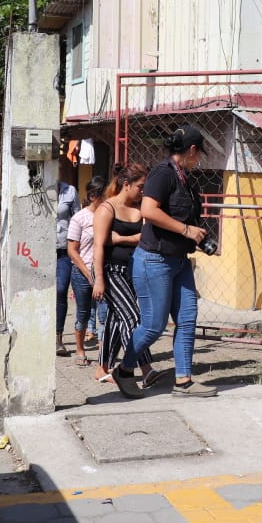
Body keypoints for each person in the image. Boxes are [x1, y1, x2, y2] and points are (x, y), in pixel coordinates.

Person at [112, 125, 216, 398]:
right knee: (153, 325)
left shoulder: (187, 181)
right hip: (154, 261)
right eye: (199, 154)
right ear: (191, 150)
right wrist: (185, 231)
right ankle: (124, 370)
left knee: (187, 319)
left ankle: (183, 381)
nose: (199, 159)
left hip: (179, 261)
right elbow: (148, 210)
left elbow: (188, 221)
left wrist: (198, 237)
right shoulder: (162, 173)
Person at [92, 163, 164, 388]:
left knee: (116, 320)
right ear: (126, 184)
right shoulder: (107, 209)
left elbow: (146, 237)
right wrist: (99, 279)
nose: (143, 191)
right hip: (110, 272)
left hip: (134, 272)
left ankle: (102, 368)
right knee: (133, 318)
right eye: (140, 186)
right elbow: (99, 246)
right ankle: (145, 369)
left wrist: (121, 238)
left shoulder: (141, 208)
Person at [66, 176, 106, 367]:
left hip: (104, 272)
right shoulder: (79, 218)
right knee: (83, 313)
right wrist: (88, 273)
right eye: (103, 196)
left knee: (105, 314)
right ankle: (80, 349)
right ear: (92, 196)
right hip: (82, 273)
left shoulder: (108, 215)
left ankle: (104, 353)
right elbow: (72, 250)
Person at [54, 180, 79, 357]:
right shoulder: (37, 187)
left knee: (61, 290)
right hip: (41, 251)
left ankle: (58, 338)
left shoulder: (70, 191)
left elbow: (77, 218)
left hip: (64, 250)